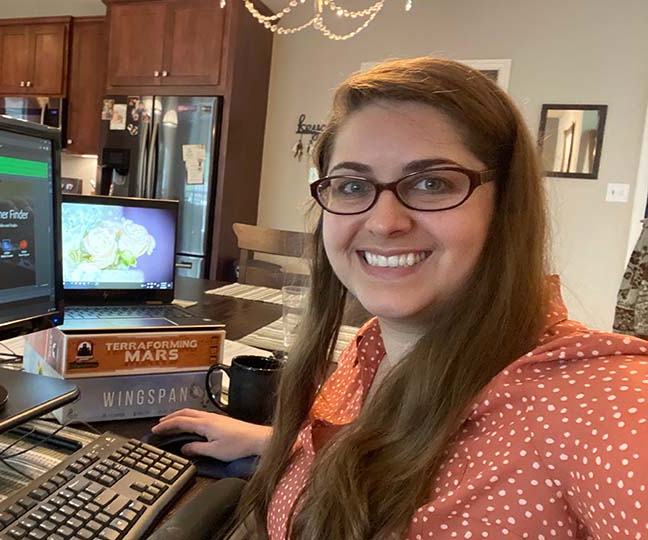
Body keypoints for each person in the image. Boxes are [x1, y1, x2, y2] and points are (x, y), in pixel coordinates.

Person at [152, 57, 648, 539]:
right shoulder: (371, 349)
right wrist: (280, 443)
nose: (386, 222)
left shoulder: (598, 402)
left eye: (431, 183)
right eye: (352, 185)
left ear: (506, 206)